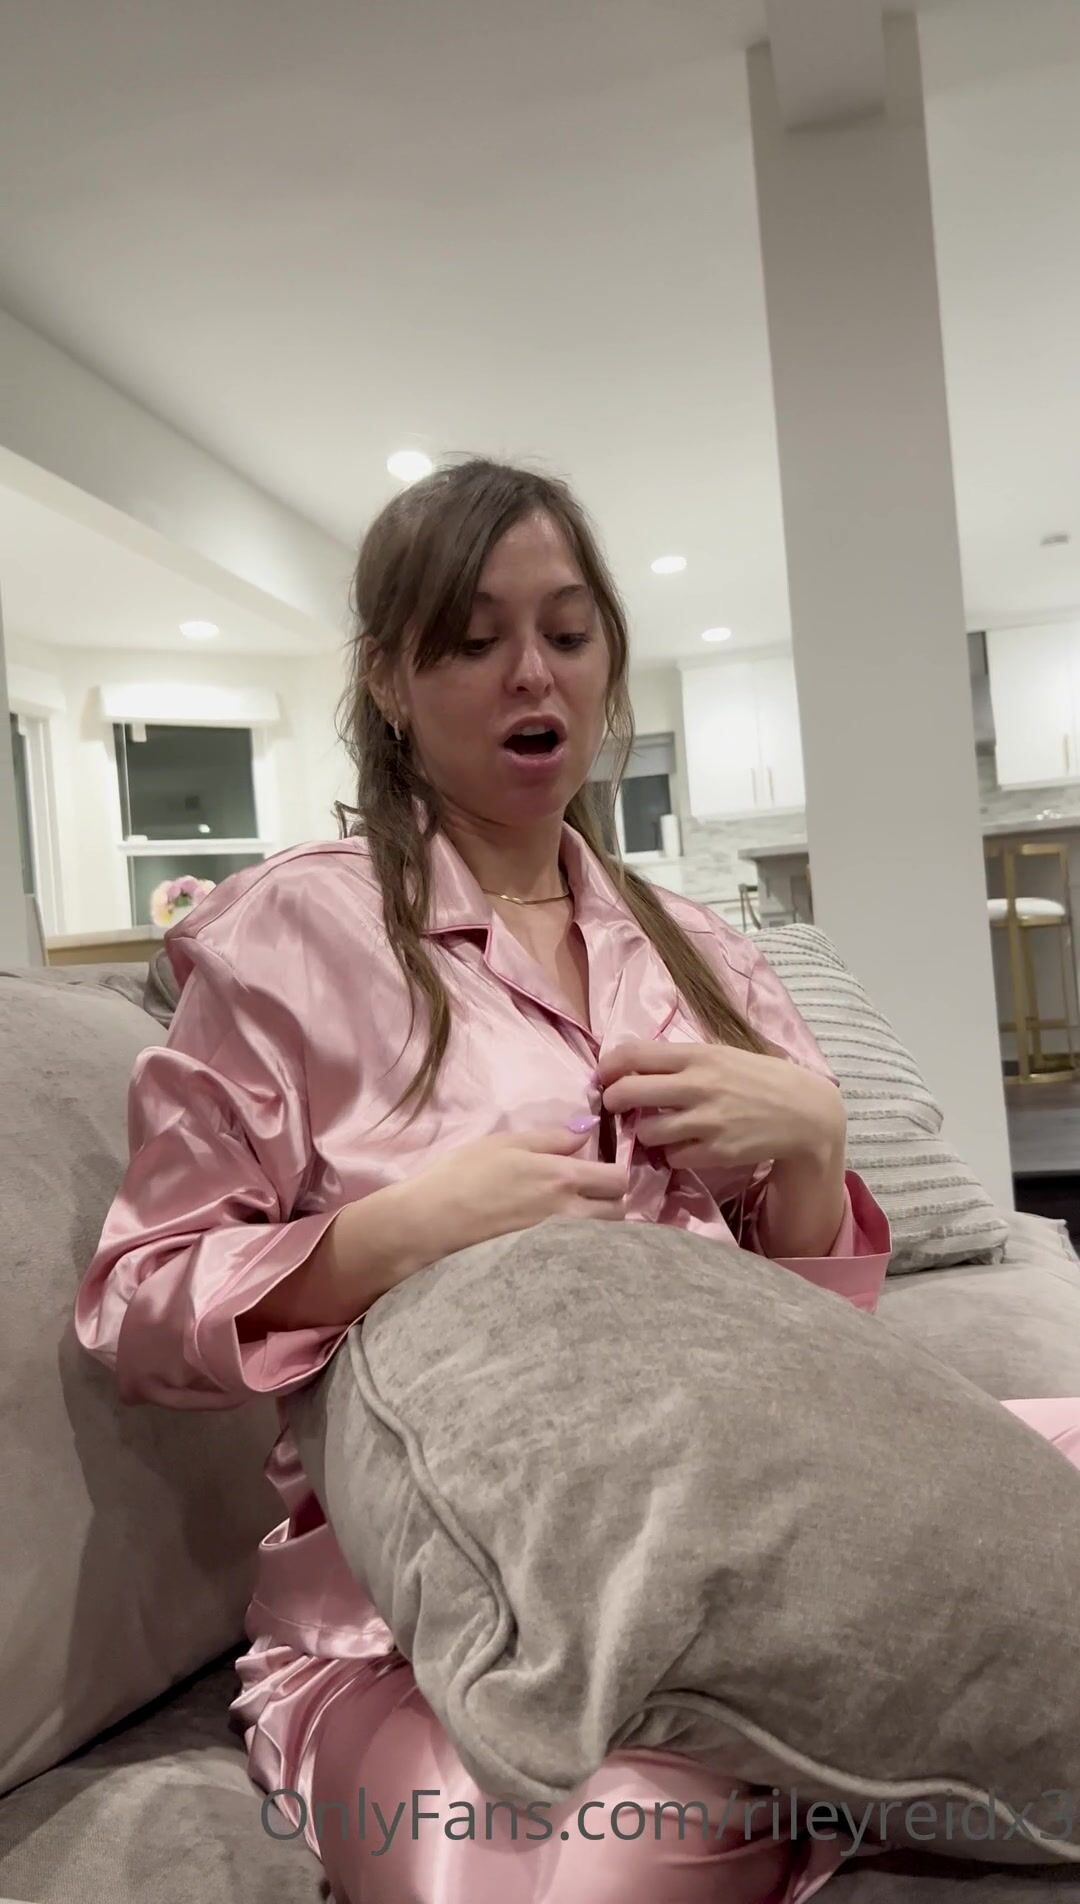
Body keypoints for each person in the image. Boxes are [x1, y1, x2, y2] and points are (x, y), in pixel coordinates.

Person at [74, 460, 1078, 1903]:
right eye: (473, 639)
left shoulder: (697, 948)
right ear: (388, 680)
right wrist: (397, 1234)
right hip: (443, 1602)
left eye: (567, 631)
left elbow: (816, 1346)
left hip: (758, 1517)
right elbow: (140, 1305)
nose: (531, 674)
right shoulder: (289, 935)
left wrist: (810, 1145)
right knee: (573, 1864)